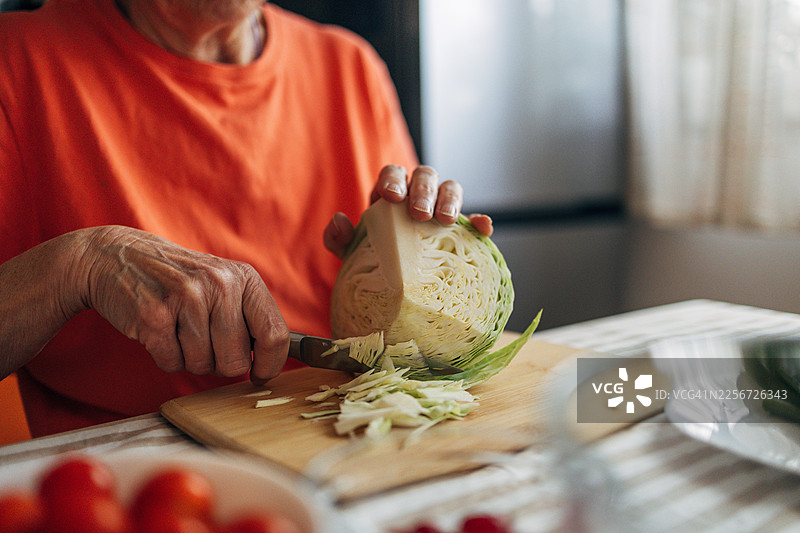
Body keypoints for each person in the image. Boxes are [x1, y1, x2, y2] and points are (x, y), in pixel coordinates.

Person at [0, 0, 493, 437]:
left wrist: (423, 257)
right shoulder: (18, 61)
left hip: (343, 439)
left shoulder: (349, 65)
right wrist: (81, 263)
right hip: (136, 480)